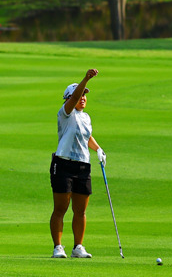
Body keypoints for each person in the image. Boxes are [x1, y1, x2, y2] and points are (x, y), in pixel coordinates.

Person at [49, 68, 106, 259]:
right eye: (80, 95)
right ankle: (58, 247)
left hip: (83, 165)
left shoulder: (86, 117)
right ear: (69, 98)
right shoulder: (65, 113)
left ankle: (78, 247)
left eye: (85, 95)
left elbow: (87, 136)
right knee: (61, 209)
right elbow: (73, 99)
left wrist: (98, 149)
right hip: (63, 164)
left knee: (80, 211)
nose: (82, 98)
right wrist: (86, 79)